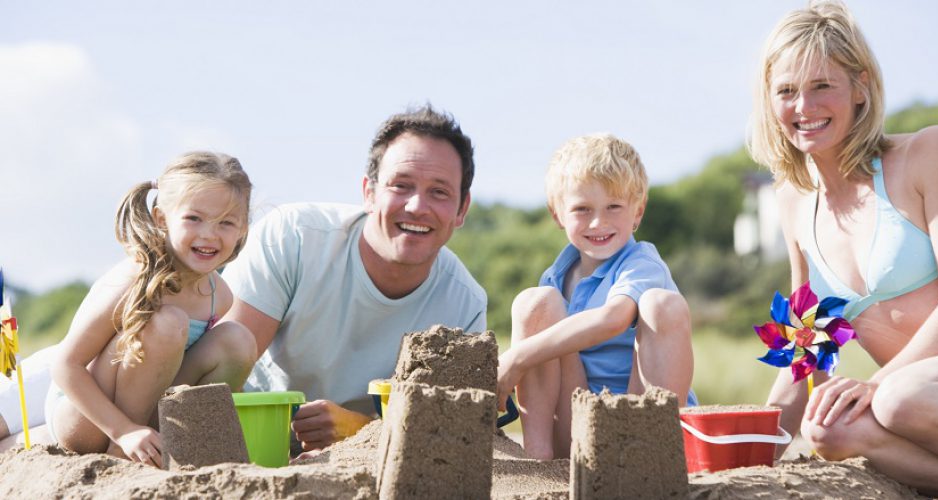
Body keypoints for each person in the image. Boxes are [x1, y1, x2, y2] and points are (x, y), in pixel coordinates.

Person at [748, 1, 938, 496]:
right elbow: (808, 348)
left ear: (860, 87)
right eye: (786, 91)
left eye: (821, 86)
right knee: (829, 430)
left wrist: (877, 384)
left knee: (899, 397)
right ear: (769, 101)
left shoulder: (929, 152)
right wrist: (751, 446)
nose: (803, 107)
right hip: (917, 397)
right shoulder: (789, 202)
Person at [220, 105, 487, 453]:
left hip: (366, 460)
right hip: (248, 445)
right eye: (401, 185)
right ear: (369, 193)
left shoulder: (465, 303)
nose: (417, 206)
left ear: (462, 209)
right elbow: (217, 379)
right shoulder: (293, 237)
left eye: (439, 192)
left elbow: (445, 437)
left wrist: (360, 430)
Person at [36, 152, 255, 467]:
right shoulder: (135, 278)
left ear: (243, 229)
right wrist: (123, 430)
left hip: (151, 414)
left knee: (238, 339)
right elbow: (65, 365)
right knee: (167, 323)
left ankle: (186, 446)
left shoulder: (219, 296)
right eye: (194, 218)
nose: (209, 234)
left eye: (226, 223)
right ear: (162, 219)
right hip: (89, 417)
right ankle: (123, 454)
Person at [495, 133, 696, 460]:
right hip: (577, 428)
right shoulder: (556, 277)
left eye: (614, 207)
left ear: (638, 212)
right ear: (557, 215)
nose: (599, 222)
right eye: (582, 209)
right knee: (535, 302)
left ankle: (653, 458)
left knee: (662, 305)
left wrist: (517, 357)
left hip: (638, 422)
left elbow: (614, 318)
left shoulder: (641, 263)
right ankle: (539, 459)